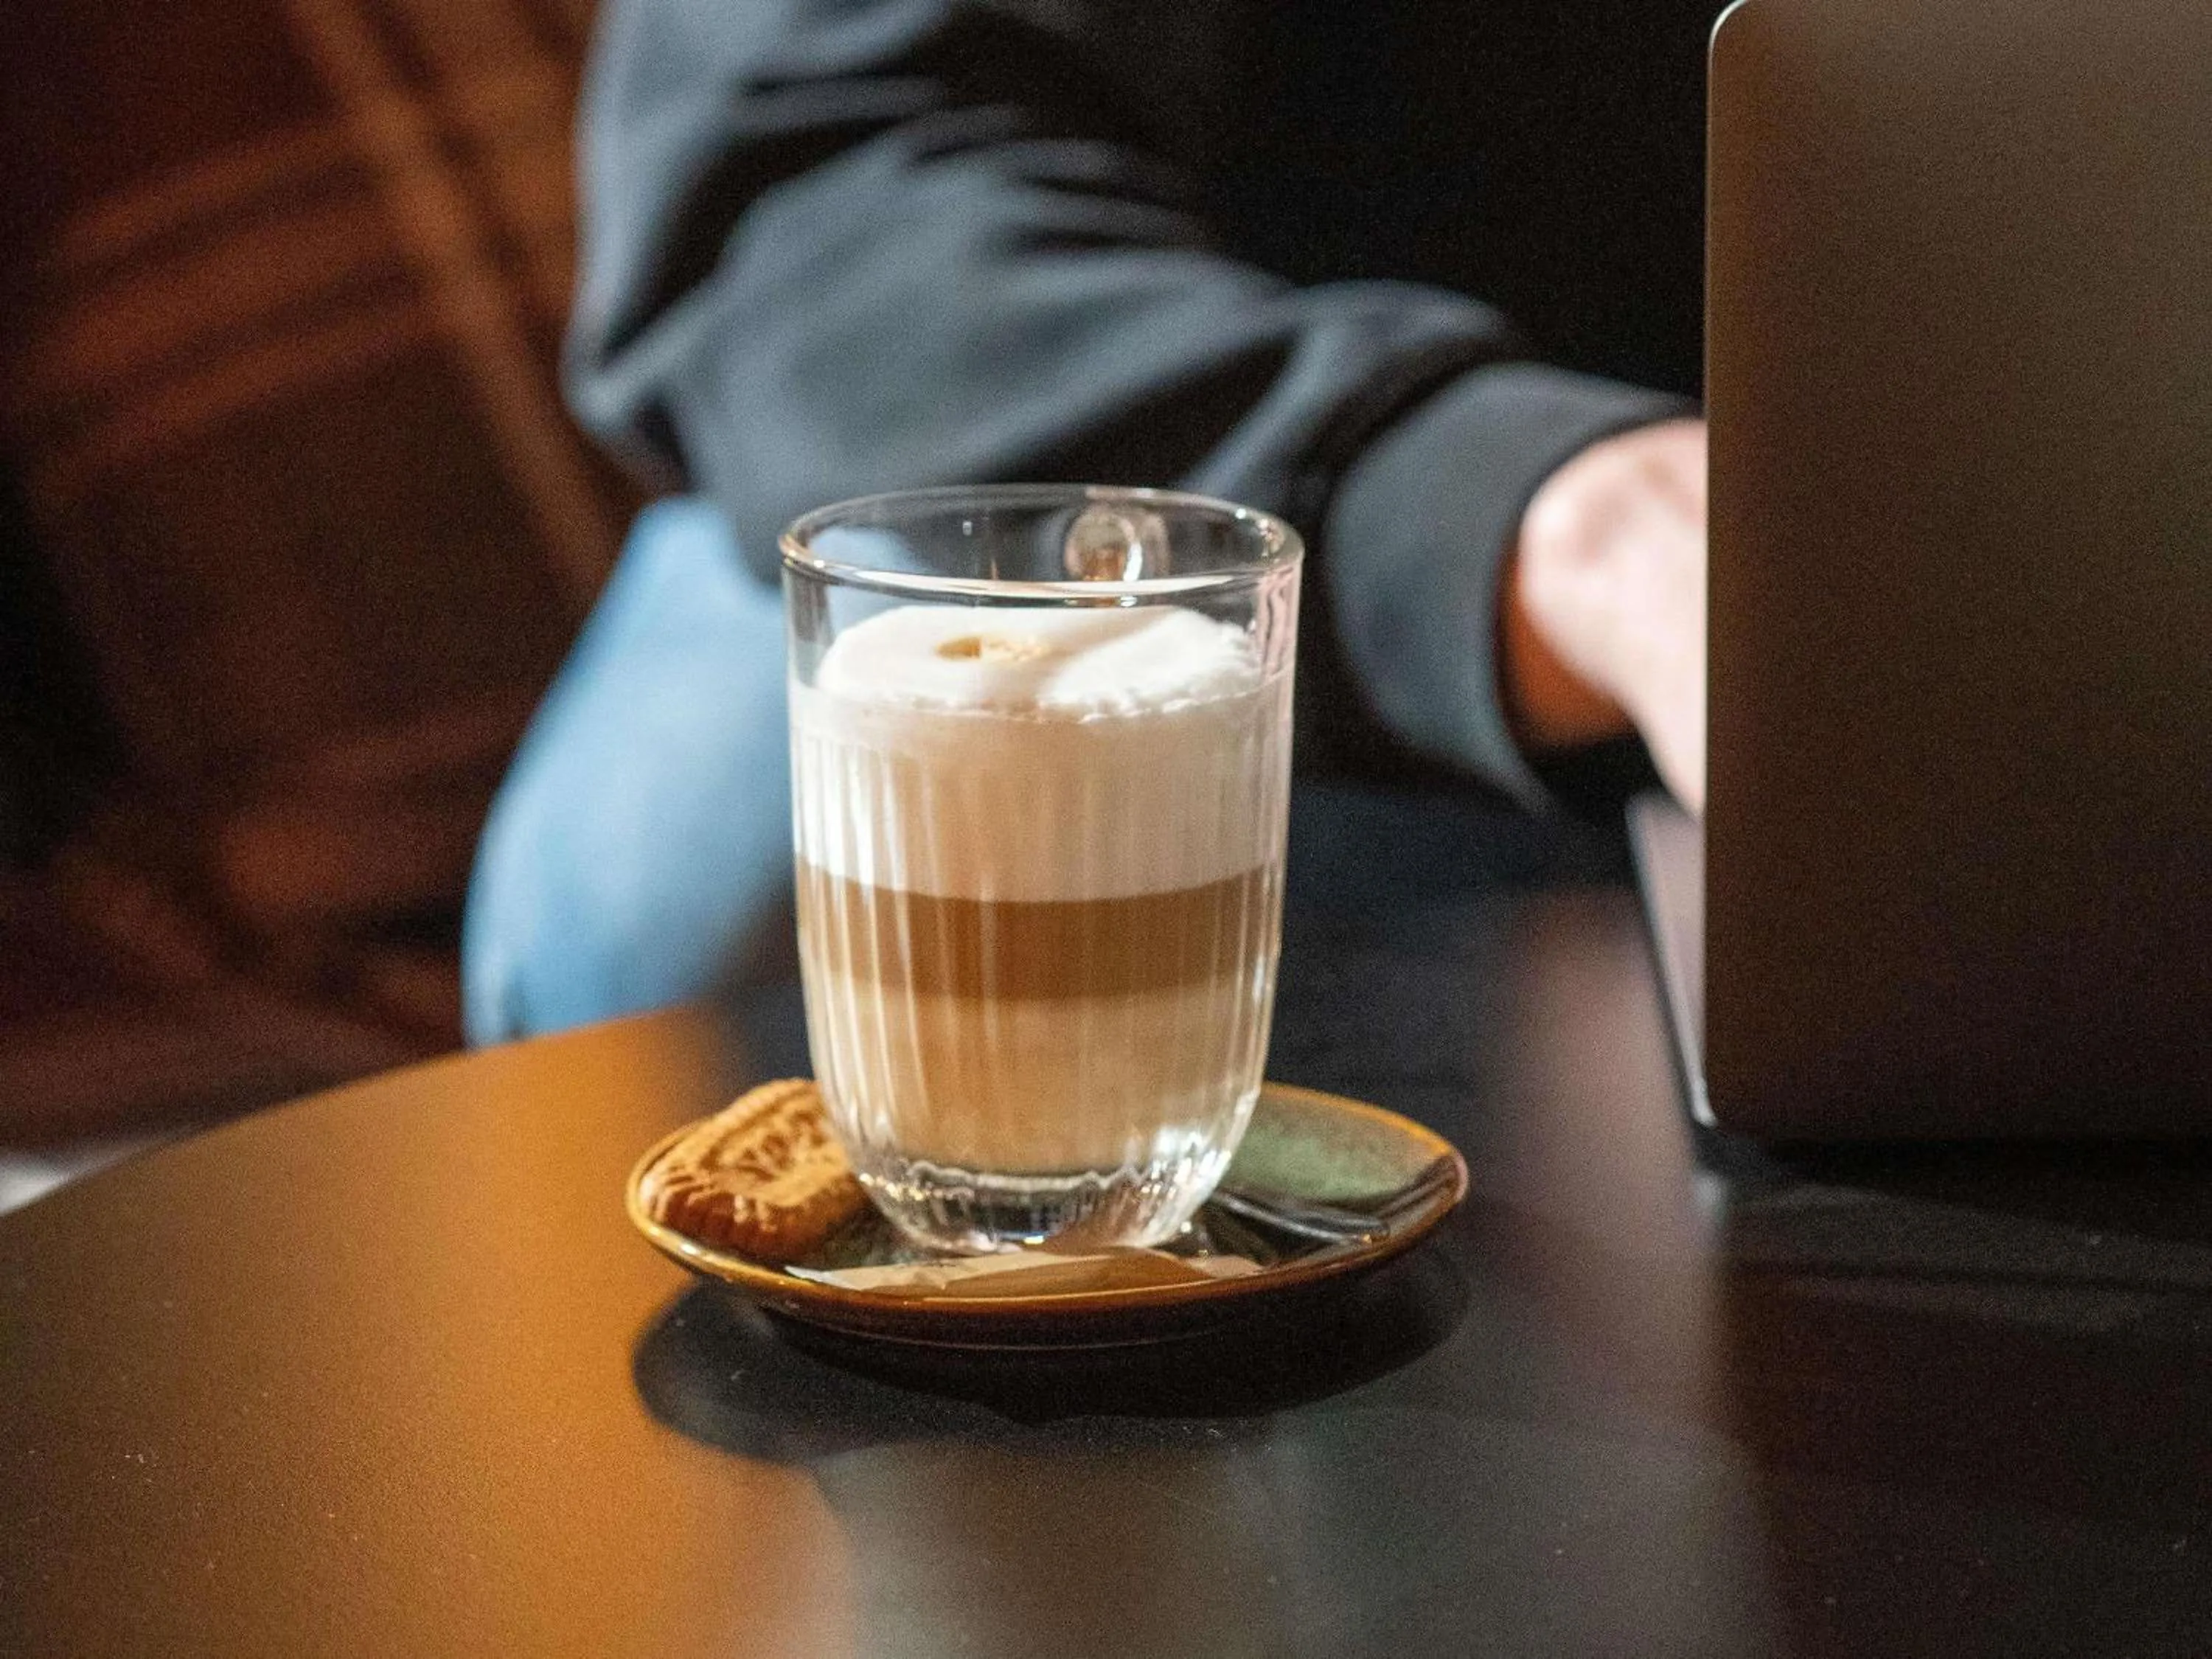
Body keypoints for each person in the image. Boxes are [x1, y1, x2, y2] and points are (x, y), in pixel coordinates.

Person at [462, 0, 1715, 1044]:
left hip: (1768, 577)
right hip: (1095, 448)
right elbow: (814, 202)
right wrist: (1540, 520)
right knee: (689, 918)